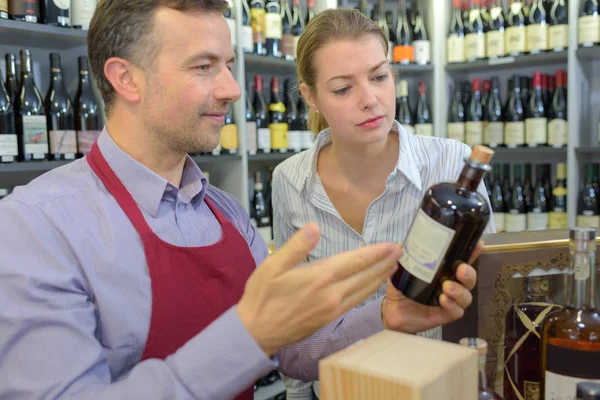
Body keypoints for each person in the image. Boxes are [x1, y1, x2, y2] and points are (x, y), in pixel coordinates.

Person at [0, 1, 478, 399]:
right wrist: (247, 335)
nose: (231, 89)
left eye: (228, 65)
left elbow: (290, 349)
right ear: (127, 79)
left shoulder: (223, 213)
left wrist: (385, 316)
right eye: (204, 67)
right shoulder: (35, 227)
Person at [272, 9, 496, 399]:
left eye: (378, 77)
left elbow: (488, 300)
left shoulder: (452, 165)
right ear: (311, 97)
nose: (370, 99)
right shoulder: (289, 180)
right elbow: (293, 324)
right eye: (343, 89)